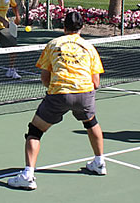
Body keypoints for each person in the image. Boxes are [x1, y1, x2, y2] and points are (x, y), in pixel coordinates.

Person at [7, 11, 106, 190]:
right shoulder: (90, 47)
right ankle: (99, 163)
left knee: (34, 131)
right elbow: (96, 82)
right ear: (81, 27)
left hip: (59, 93)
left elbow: (45, 77)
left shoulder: (53, 44)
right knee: (91, 122)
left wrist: (56, 91)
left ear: (64, 27)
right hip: (85, 93)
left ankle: (28, 176)